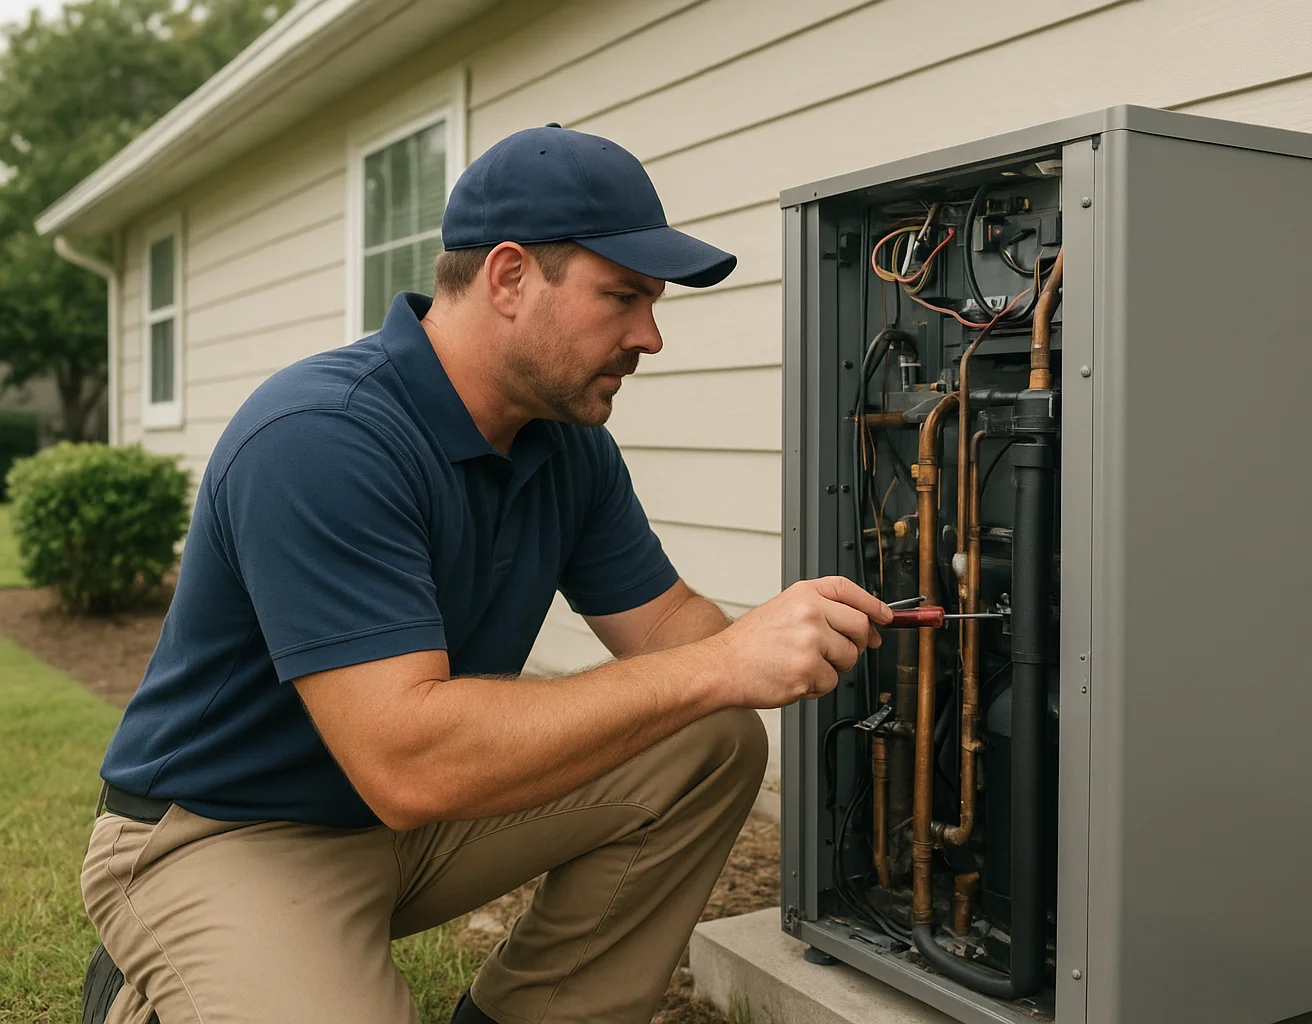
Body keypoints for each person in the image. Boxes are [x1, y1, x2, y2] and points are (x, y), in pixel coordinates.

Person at [79, 123, 892, 1024]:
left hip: (401, 826)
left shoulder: (566, 443)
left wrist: (772, 639)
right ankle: (152, 987)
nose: (649, 337)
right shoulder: (321, 436)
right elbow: (408, 763)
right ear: (508, 277)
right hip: (227, 830)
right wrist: (717, 665)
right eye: (621, 297)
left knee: (708, 743)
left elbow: (667, 632)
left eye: (652, 303)